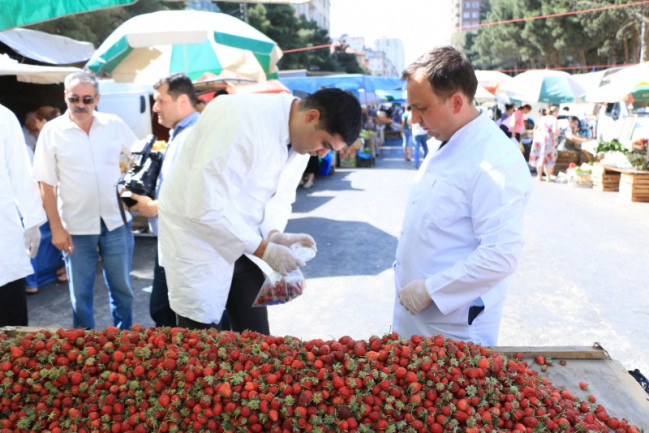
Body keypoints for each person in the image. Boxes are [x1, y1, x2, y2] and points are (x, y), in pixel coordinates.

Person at [158, 88, 362, 332]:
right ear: (311, 116)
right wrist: (265, 250)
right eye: (325, 144)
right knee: (200, 336)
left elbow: (280, 195)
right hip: (196, 239)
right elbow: (204, 207)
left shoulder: (302, 140)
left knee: (256, 338)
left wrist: (275, 234)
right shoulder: (237, 120)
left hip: (243, 237)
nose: (323, 154)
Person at [394, 46, 532, 345]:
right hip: (417, 316)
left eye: (422, 108)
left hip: (453, 324)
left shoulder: (495, 160)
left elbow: (501, 255)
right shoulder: (444, 140)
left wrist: (432, 290)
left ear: (456, 102)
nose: (414, 119)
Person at [33, 71, 138, 330]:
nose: (80, 104)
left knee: (123, 291)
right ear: (65, 97)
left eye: (87, 99)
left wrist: (130, 193)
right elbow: (45, 184)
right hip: (75, 228)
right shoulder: (52, 131)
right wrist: (56, 228)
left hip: (117, 223)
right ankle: (84, 354)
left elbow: (140, 159)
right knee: (80, 298)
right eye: (74, 98)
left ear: (97, 98)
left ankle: (126, 347)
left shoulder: (114, 123)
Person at [126, 73, 200, 328]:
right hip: (172, 240)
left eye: (160, 100)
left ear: (182, 101)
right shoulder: (179, 133)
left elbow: (197, 191)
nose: (155, 107)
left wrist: (154, 207)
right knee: (167, 309)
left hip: (185, 242)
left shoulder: (193, 135)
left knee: (179, 311)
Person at [0, 103, 47, 326]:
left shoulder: (3, 116)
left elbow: (21, 171)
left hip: (3, 239)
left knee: (10, 331)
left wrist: (33, 220)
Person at [24, 105, 65, 295]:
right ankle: (63, 269)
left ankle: (32, 281)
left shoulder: (43, 141)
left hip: (42, 193)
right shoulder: (65, 137)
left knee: (32, 236)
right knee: (54, 231)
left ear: (42, 122)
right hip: (58, 193)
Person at [529, 105, 560, 181]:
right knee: (549, 158)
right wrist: (558, 133)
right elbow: (554, 131)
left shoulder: (542, 118)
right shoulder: (554, 119)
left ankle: (539, 176)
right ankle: (548, 177)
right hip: (548, 139)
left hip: (538, 138)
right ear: (555, 113)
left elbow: (535, 128)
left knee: (540, 156)